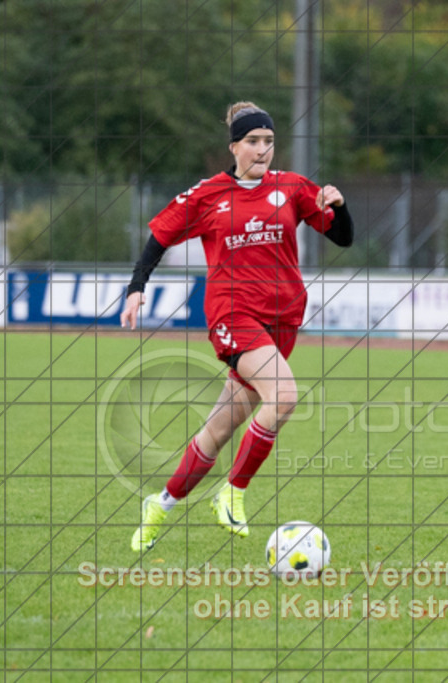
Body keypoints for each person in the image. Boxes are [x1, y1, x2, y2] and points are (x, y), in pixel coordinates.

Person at [122, 102, 354, 552]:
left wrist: (341, 207)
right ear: (234, 147)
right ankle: (234, 491)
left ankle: (161, 503)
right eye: (253, 141)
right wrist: (137, 286)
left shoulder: (291, 188)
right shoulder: (208, 194)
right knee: (284, 396)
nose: (263, 149)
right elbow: (160, 237)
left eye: (269, 141)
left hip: (283, 320)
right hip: (233, 316)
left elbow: (341, 237)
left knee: (219, 430)